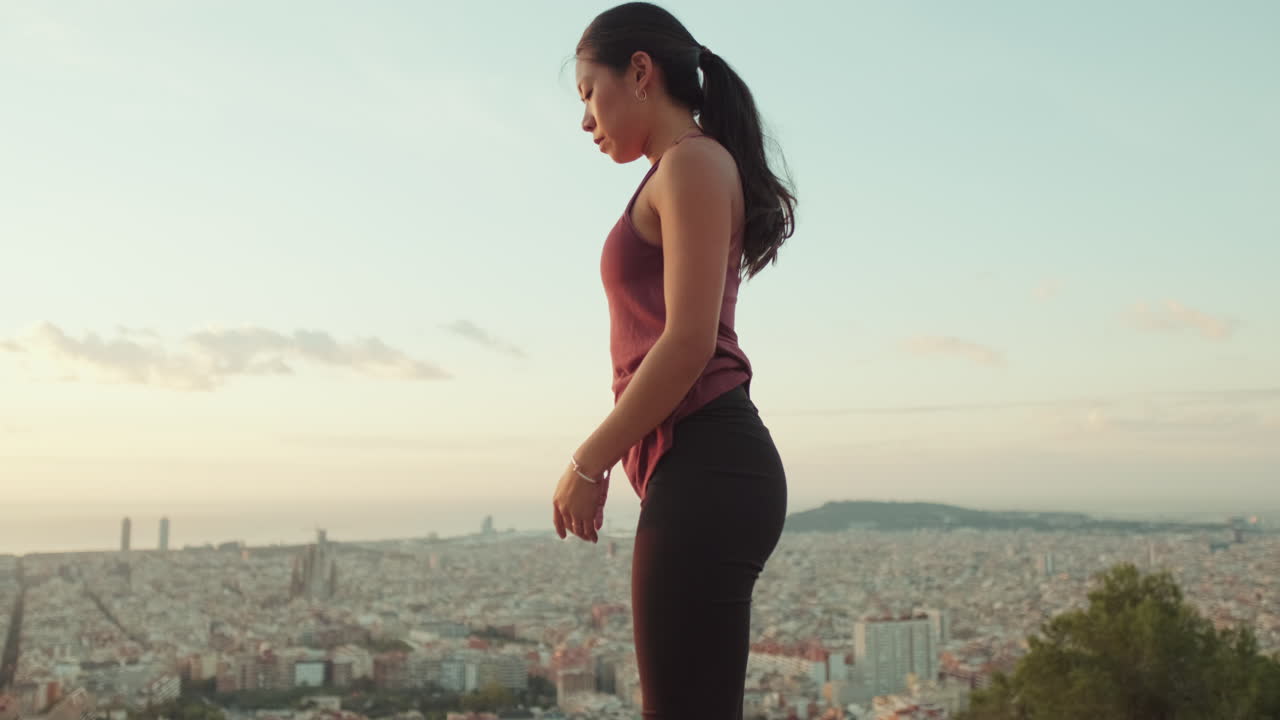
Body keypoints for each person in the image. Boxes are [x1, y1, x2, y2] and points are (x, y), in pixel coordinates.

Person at [550, 2, 797, 717]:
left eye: (589, 93)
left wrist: (587, 461)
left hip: (709, 461)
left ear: (639, 72)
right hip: (703, 466)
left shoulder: (691, 163)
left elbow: (688, 342)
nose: (586, 120)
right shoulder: (681, 168)